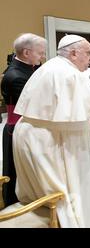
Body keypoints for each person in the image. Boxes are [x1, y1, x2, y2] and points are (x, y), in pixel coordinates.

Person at [12, 34, 90, 227]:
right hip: (50, 140)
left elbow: (66, 107)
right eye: (88, 53)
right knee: (65, 191)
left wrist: (81, 116)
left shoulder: (50, 66)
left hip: (30, 135)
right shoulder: (70, 73)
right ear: (74, 53)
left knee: (41, 189)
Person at [1, 33, 46, 207]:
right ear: (27, 53)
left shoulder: (29, 69)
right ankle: (13, 206)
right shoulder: (15, 76)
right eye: (40, 52)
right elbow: (39, 106)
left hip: (30, 127)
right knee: (16, 172)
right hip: (18, 130)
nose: (43, 56)